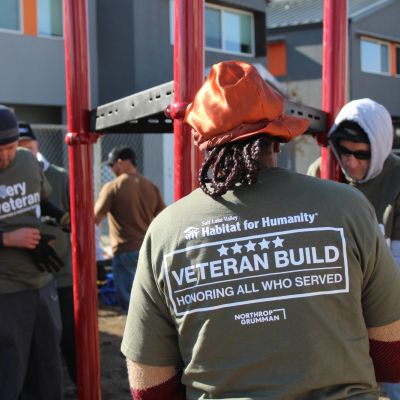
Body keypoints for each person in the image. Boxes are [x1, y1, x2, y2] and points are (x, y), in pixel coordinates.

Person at [121, 61, 400, 400]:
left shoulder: (166, 231)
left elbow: (148, 384)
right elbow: (391, 357)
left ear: (204, 143)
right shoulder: (349, 206)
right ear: (278, 139)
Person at [307, 98, 400, 399]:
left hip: (386, 303)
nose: (350, 162)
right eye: (343, 151)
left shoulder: (397, 180)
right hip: (335, 309)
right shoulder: (322, 170)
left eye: (361, 154)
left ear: (382, 148)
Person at [0, 106, 68, 399]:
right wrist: (8, 239)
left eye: (10, 147)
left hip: (43, 283)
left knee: (49, 368)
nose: (4, 156)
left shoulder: (28, 161)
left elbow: (43, 204)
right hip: (6, 290)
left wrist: (63, 218)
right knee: (10, 372)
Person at [18, 122, 77, 387]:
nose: (24, 156)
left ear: (37, 147)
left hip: (61, 269)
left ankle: (83, 385)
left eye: (27, 149)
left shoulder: (60, 176)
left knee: (69, 338)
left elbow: (75, 220)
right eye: (18, 151)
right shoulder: (10, 177)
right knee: (33, 343)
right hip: (24, 272)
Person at [94, 146, 166, 314]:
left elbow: (94, 219)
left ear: (120, 163)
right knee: (151, 303)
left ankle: (139, 340)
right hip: (149, 251)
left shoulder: (113, 186)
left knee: (131, 306)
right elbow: (163, 217)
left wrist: (96, 251)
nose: (111, 169)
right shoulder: (150, 185)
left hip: (125, 251)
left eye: (112, 165)